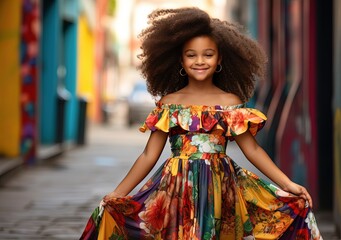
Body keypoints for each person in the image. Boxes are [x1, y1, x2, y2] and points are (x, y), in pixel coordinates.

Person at [80, 7, 323, 240]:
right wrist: (119, 193)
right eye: (191, 55)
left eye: (208, 54)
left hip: (220, 188)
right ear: (181, 61)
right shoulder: (170, 104)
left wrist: (288, 184)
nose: (200, 61)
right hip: (176, 188)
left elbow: (253, 150)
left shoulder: (230, 103)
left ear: (219, 60)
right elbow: (148, 155)